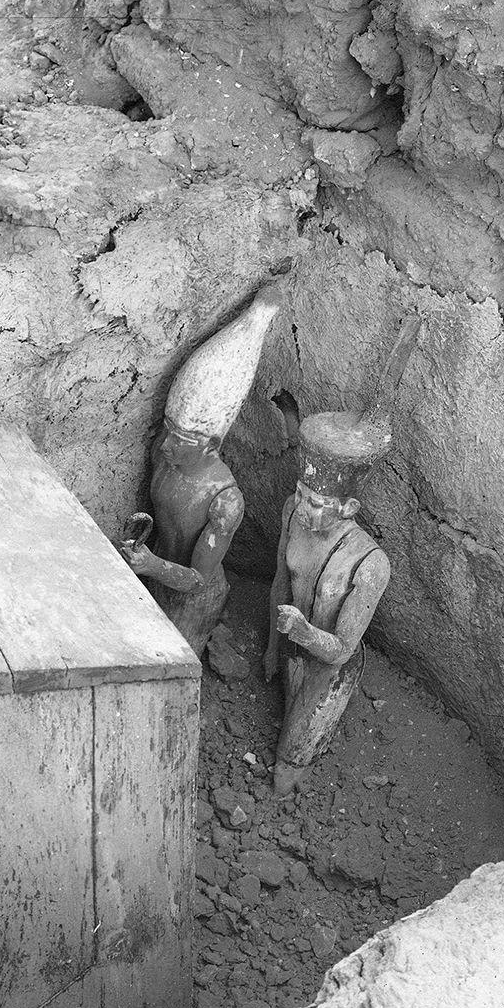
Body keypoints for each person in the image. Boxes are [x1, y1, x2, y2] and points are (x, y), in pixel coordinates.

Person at [121, 283, 283, 653]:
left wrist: (152, 566)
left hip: (191, 596)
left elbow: (198, 578)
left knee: (170, 659)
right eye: (170, 431)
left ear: (212, 445)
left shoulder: (224, 502)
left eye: (182, 439)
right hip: (155, 570)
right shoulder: (166, 455)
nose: (167, 445)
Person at [266, 409, 393, 795]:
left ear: (348, 508)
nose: (303, 507)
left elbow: (340, 650)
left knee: (288, 762)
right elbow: (280, 583)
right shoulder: (293, 513)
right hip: (292, 643)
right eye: (301, 494)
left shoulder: (369, 564)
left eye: (316, 503)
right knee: (283, 698)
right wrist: (273, 648)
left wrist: (303, 632)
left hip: (329, 669)